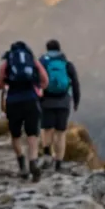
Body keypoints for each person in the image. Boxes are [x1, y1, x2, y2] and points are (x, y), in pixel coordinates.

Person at [0, 40, 48, 181]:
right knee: (32, 134)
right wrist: (38, 88)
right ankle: (33, 162)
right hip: (31, 100)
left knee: (16, 135)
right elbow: (45, 80)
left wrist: (8, 83)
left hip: (13, 102)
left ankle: (22, 164)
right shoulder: (33, 61)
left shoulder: (7, 63)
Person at [38, 39, 81, 172]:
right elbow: (75, 84)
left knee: (47, 129)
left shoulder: (42, 63)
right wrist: (76, 101)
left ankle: (46, 155)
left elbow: (35, 82)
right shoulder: (67, 64)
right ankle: (58, 162)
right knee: (60, 133)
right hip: (64, 102)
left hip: (46, 101)